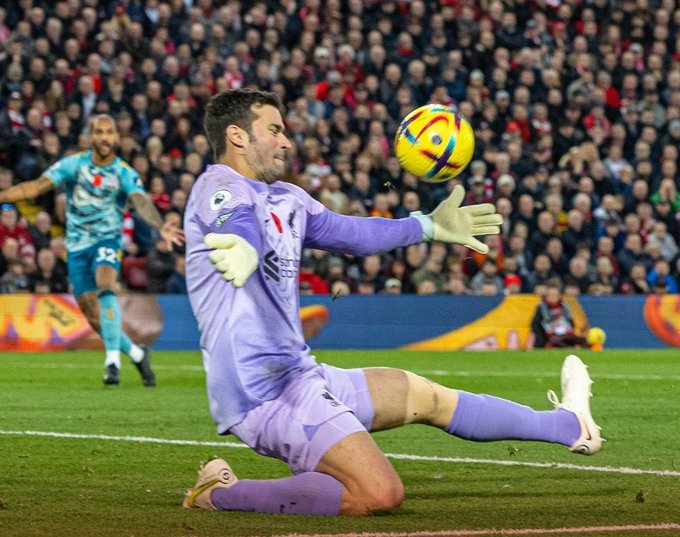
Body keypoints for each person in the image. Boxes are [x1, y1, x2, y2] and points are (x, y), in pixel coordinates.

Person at [182, 89, 601, 517]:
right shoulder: (219, 185)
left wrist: (428, 226)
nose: (286, 141)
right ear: (236, 136)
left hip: (299, 375)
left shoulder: (288, 198)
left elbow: (352, 234)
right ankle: (219, 493)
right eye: (274, 130)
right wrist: (243, 246)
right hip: (262, 393)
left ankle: (569, 426)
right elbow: (233, 219)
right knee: (377, 494)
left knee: (428, 397)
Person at [0, 114, 184, 387]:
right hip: (76, 247)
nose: (105, 138)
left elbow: (140, 200)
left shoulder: (124, 172)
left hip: (107, 240)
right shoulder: (74, 165)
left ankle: (112, 363)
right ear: (90, 136)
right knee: (91, 313)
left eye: (110, 132)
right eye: (99, 132)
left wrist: (160, 226)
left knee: (105, 283)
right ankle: (136, 353)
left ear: (116, 137)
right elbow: (36, 186)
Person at [531, 279, 589, 349]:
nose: (553, 298)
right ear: (547, 296)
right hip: (551, 335)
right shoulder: (542, 308)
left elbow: (571, 321)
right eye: (551, 295)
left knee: (583, 340)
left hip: (566, 333)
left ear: (559, 296)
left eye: (555, 295)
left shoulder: (564, 307)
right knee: (556, 341)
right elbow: (535, 325)